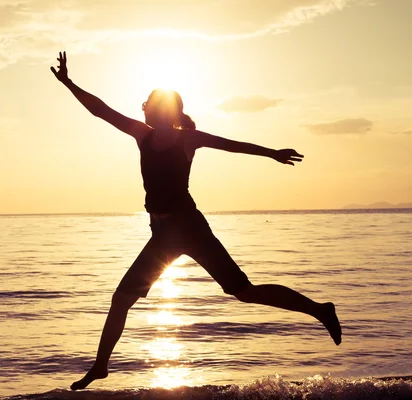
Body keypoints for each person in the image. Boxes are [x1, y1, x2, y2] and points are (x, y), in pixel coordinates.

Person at [50, 51, 342, 391]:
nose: (151, 110)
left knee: (242, 290)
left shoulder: (187, 138)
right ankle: (100, 367)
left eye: (159, 106)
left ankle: (320, 310)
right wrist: (69, 83)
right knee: (122, 298)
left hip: (189, 227)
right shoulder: (142, 135)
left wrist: (272, 153)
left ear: (170, 110)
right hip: (160, 234)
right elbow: (101, 110)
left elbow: (232, 145)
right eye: (150, 106)